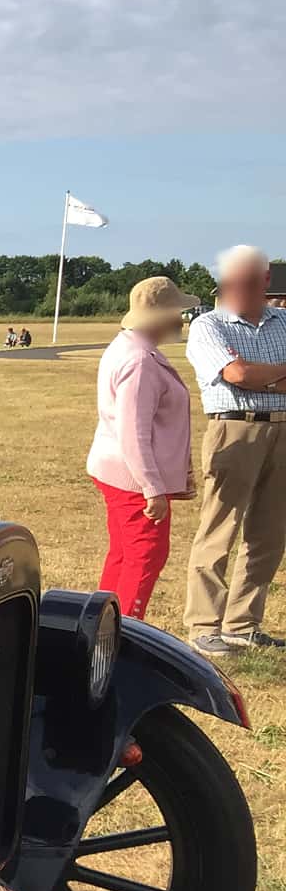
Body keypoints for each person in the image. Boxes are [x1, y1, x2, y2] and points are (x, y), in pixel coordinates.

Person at [184, 245, 286, 655]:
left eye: (246, 282)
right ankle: (204, 624)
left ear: (264, 282)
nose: (236, 290)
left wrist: (261, 379)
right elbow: (236, 374)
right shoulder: (208, 325)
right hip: (235, 429)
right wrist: (269, 378)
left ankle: (243, 624)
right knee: (219, 529)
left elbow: (246, 375)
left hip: (282, 429)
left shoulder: (283, 321)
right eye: (230, 283)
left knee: (270, 532)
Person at [86, 277, 200, 619]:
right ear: (162, 317)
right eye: (178, 312)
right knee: (145, 555)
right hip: (132, 477)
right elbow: (133, 431)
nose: (182, 320)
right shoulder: (141, 361)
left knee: (124, 554)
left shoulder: (128, 347)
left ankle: (101, 626)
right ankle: (123, 633)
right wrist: (152, 488)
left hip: (118, 470)